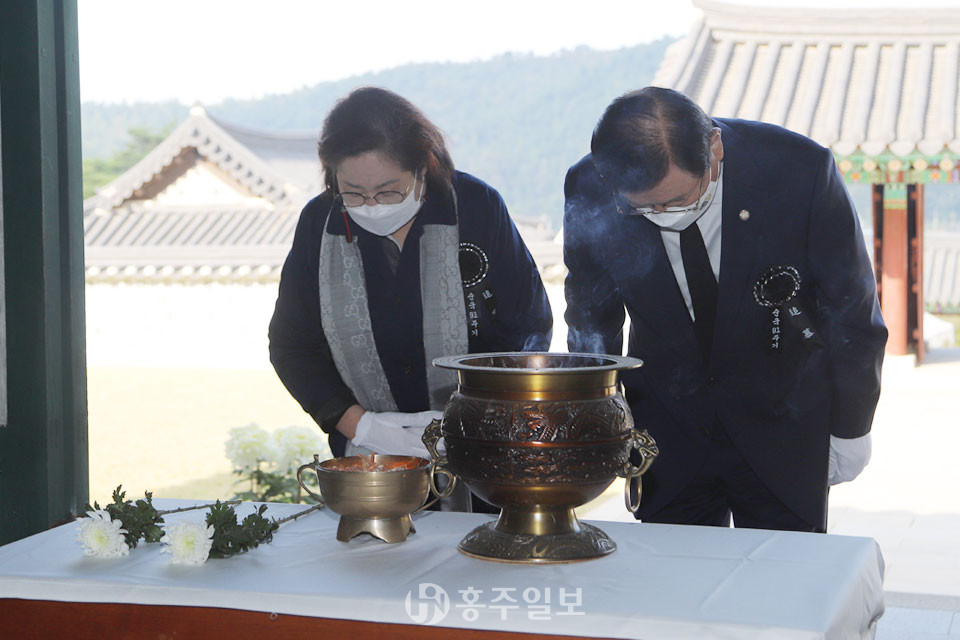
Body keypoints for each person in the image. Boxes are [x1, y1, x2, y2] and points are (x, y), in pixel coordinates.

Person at [563, 87, 887, 532]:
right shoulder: (589, 186)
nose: (662, 214)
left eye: (678, 200)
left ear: (714, 148)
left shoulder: (797, 170)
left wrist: (852, 425)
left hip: (783, 419)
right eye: (644, 207)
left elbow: (850, 307)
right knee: (675, 581)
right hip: (667, 430)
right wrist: (591, 411)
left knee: (783, 580)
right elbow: (590, 312)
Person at [269, 87, 552, 511]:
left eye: (388, 191)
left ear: (423, 167)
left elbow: (528, 328)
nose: (371, 205)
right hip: (374, 466)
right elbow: (293, 346)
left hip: (485, 456)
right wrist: (364, 427)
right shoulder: (320, 224)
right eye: (353, 192)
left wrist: (473, 419)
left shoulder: (475, 208)